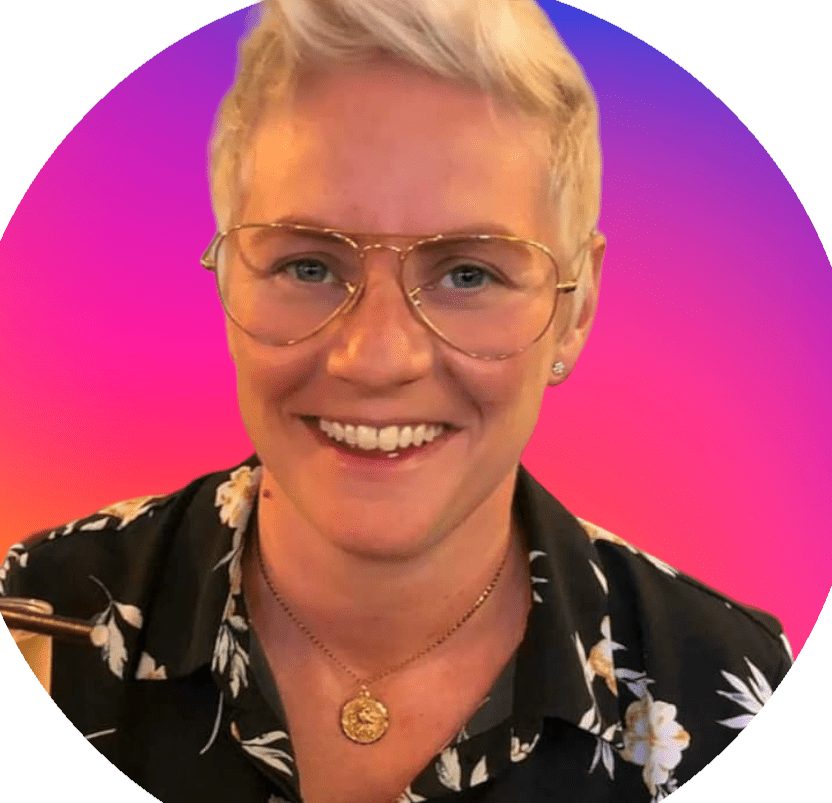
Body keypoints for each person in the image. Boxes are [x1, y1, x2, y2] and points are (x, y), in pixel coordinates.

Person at [0, 1, 792, 801]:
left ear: (575, 308)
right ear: (227, 276)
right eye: (308, 266)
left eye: (469, 274)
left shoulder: (736, 693)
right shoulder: (37, 617)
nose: (376, 358)